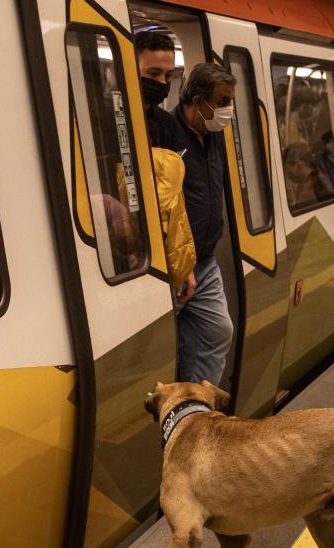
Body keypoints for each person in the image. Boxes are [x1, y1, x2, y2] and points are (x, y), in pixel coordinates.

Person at [149, 62, 236, 388]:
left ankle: (197, 416)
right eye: (224, 100)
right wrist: (177, 261)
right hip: (173, 264)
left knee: (217, 331)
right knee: (164, 348)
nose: (228, 109)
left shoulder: (213, 136)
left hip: (205, 260)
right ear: (198, 101)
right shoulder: (167, 134)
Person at [135, 30, 197, 304]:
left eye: (167, 76)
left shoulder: (166, 124)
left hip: (164, 247)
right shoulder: (101, 119)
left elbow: (175, 201)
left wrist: (184, 265)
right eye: (153, 74)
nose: (162, 83)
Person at [283, 142, 334, 206]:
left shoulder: (318, 185)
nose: (288, 170)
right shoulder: (303, 184)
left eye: (291, 164)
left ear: (300, 164)